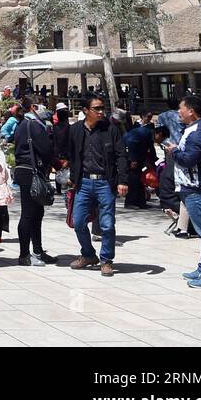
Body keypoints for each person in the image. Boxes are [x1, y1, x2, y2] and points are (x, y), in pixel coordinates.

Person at [67, 93, 129, 277]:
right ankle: (88, 255)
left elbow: (121, 156)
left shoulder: (111, 129)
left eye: (103, 108)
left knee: (107, 225)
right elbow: (72, 154)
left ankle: (106, 260)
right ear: (86, 110)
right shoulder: (76, 130)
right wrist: (72, 176)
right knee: (78, 222)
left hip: (105, 182)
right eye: (97, 108)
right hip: (83, 182)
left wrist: (123, 180)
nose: (101, 112)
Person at [164, 95, 201, 288]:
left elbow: (189, 159)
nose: (178, 112)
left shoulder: (199, 132)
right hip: (191, 188)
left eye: (181, 108)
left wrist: (174, 151)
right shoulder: (193, 129)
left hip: (197, 189)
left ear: (191, 111)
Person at [12, 97, 56, 266]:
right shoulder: (34, 126)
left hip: (26, 171)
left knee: (37, 213)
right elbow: (46, 150)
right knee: (29, 214)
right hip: (31, 172)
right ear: (33, 107)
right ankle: (24, 255)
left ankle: (37, 251)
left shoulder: (22, 124)